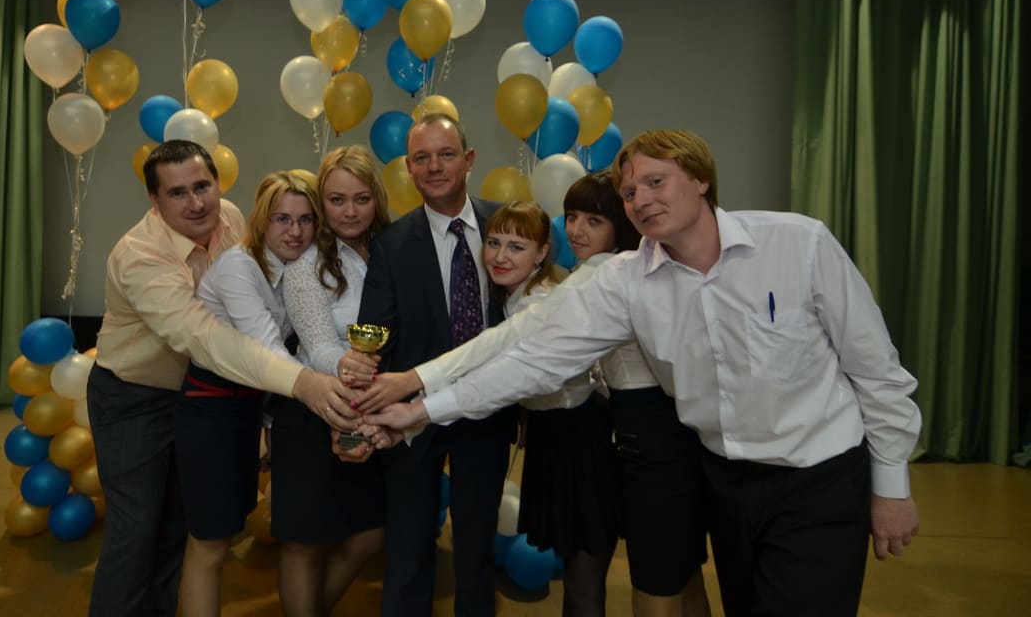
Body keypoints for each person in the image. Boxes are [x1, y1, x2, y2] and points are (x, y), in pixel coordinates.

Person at [367, 129, 922, 617]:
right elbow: (531, 355)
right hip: (726, 485)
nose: (641, 200)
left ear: (701, 180)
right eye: (631, 192)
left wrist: (892, 486)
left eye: (657, 182)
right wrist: (421, 403)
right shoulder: (626, 280)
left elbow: (876, 371)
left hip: (820, 478)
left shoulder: (798, 243)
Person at [359, 175, 710, 617]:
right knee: (665, 577)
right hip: (575, 437)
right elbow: (503, 347)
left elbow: (509, 355)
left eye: (595, 220)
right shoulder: (575, 277)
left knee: (633, 581)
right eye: (573, 217)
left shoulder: (584, 281)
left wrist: (416, 394)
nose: (577, 230)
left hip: (600, 442)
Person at [86, 140, 360, 617]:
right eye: (177, 193)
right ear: (154, 200)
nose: (196, 203)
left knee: (183, 527)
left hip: (207, 396)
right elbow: (209, 340)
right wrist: (303, 384)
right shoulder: (139, 256)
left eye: (202, 186)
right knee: (136, 529)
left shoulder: (231, 219)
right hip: (135, 395)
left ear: (218, 183)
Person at [356, 113, 517, 616]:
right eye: (421, 158)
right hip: (412, 414)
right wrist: (359, 375)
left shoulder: (506, 226)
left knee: (476, 547)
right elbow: (374, 328)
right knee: (407, 546)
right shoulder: (390, 244)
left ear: (468, 160)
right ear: (408, 168)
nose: (434, 167)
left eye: (446, 155)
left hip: (486, 410)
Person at [175, 171, 319, 617]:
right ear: (261, 220)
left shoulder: (298, 267)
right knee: (210, 542)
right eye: (282, 219)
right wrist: (325, 394)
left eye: (305, 220)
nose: (294, 232)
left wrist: (268, 422)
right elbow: (267, 350)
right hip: (210, 409)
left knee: (230, 529)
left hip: (250, 405)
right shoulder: (239, 266)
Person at [273, 146, 391, 616]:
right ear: (321, 202)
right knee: (304, 542)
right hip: (312, 410)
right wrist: (350, 369)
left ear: (377, 198)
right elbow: (319, 346)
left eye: (361, 199)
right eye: (336, 200)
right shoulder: (307, 264)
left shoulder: (392, 250)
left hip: (377, 407)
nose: (350, 211)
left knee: (371, 534)